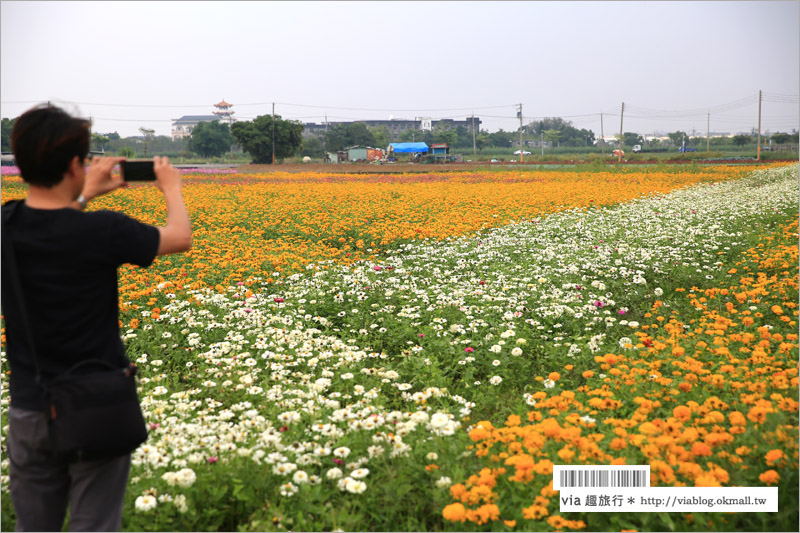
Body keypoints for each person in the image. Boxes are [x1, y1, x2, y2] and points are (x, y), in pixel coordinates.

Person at [1, 104, 192, 531]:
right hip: (95, 405)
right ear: (75, 165)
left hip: (30, 410)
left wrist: (84, 194)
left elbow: (49, 224)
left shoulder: (6, 226)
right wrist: (171, 188)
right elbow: (180, 237)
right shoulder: (103, 230)